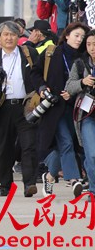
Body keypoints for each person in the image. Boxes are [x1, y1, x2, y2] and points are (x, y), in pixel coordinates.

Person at [0, 21, 40, 197]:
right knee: (4, 148)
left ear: (18, 36)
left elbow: (38, 75)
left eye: (12, 34)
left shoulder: (29, 53)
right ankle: (5, 185)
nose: (9, 38)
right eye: (5, 34)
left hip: (26, 106)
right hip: (3, 107)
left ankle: (29, 183)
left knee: (29, 145)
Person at [34, 22, 87, 198]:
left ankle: (49, 177)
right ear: (66, 35)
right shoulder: (52, 53)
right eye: (76, 35)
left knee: (64, 146)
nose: (79, 39)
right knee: (66, 142)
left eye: (82, 36)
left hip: (77, 108)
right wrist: (42, 88)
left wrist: (73, 91)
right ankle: (74, 180)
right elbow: (34, 73)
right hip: (55, 108)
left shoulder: (84, 57)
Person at [65, 29, 95, 197]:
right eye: (89, 44)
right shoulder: (80, 63)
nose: (92, 48)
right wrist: (83, 82)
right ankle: (93, 190)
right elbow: (69, 86)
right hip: (87, 114)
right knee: (91, 154)